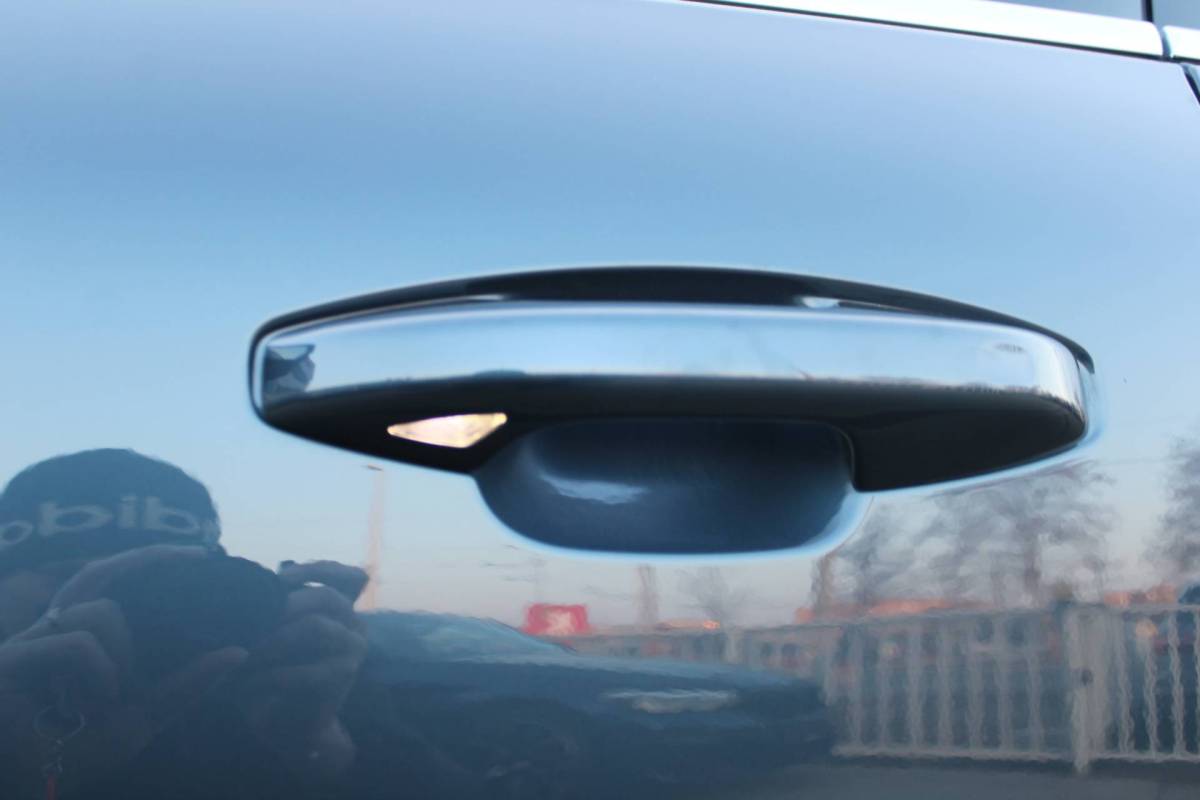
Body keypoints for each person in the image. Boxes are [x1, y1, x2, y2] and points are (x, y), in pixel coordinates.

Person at [0, 449, 369, 799]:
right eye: (68, 578)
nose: (106, 610)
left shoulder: (286, 672)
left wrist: (314, 744)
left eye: (155, 588)